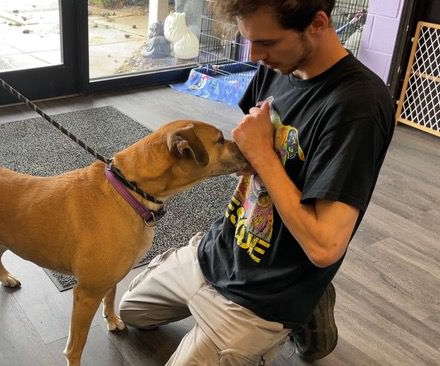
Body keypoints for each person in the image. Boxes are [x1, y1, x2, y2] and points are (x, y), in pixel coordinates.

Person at [119, 0, 395, 364]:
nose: (255, 54)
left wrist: (263, 156)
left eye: (266, 42)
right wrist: (250, 157)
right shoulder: (278, 63)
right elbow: (257, 146)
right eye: (248, 40)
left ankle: (306, 306)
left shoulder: (356, 107)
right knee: (130, 312)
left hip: (273, 289)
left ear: (318, 24)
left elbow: (325, 247)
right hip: (224, 247)